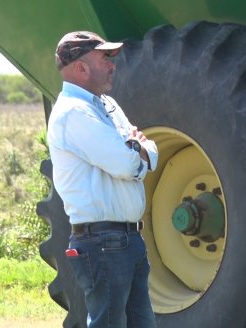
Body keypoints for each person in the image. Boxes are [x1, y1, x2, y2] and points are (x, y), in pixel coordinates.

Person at [47, 31, 158, 328]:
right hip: (102, 242)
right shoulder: (73, 113)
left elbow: (149, 148)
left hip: (124, 240)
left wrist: (140, 150)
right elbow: (125, 161)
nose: (112, 64)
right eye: (104, 57)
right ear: (81, 68)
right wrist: (138, 152)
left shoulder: (105, 105)